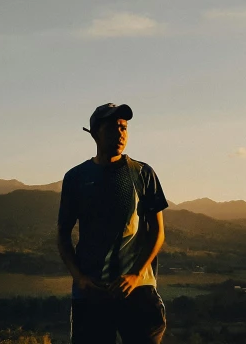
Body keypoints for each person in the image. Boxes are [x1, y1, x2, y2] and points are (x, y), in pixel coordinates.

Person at [57, 103, 169, 344]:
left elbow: (157, 232)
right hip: (91, 292)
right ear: (96, 132)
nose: (120, 133)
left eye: (124, 127)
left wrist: (136, 275)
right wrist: (80, 278)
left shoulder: (143, 173)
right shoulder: (76, 178)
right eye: (113, 127)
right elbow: (63, 235)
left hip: (137, 290)